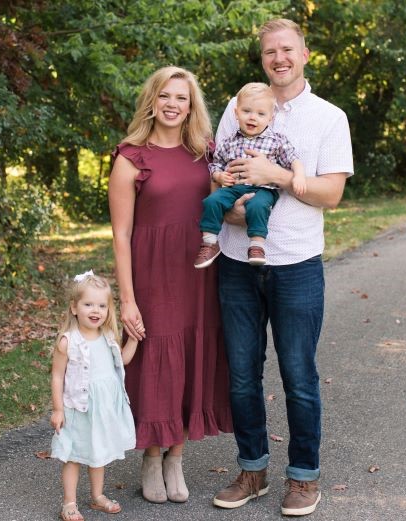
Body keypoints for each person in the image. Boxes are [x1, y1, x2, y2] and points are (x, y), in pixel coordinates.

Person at [212, 19, 354, 516]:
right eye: (270, 51)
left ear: (305, 54)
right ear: (263, 58)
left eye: (287, 49)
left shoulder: (328, 117)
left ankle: (303, 476)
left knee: (298, 374)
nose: (279, 58)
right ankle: (252, 470)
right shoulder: (239, 107)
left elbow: (331, 193)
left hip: (296, 264)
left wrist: (277, 177)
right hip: (235, 262)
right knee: (242, 376)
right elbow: (217, 178)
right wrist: (228, 209)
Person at [108, 66, 232, 505]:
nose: (173, 104)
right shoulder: (130, 157)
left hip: (199, 271)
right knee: (157, 354)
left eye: (182, 97)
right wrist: (127, 299)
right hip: (152, 273)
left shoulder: (206, 152)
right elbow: (121, 234)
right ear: (152, 101)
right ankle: (151, 453)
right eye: (165, 96)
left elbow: (228, 202)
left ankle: (176, 455)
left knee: (193, 354)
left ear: (191, 105)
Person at [50, 270, 138, 521]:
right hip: (78, 408)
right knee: (74, 455)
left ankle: (97, 496)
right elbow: (57, 376)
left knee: (98, 452)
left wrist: (133, 340)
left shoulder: (108, 337)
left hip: (103, 408)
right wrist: (57, 409)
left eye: (101, 305)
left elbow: (122, 361)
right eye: (88, 304)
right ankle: (69, 502)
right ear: (74, 308)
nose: (95, 310)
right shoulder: (68, 341)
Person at [194, 82, 305, 268]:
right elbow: (216, 164)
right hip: (233, 188)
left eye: (261, 114)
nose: (253, 117)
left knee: (258, 205)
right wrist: (220, 177)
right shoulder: (229, 142)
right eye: (246, 111)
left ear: (271, 117)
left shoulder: (276, 140)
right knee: (212, 201)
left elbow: (294, 160)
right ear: (236, 113)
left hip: (263, 189)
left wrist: (299, 176)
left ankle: (257, 245)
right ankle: (210, 243)